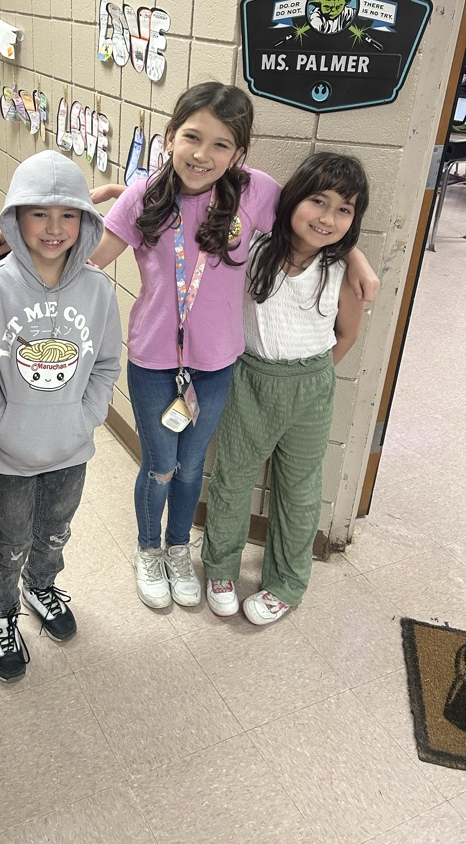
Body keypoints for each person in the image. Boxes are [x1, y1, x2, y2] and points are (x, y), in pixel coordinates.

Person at [88, 82, 379, 611]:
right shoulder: (142, 197)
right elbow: (91, 264)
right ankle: (148, 548)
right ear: (170, 136)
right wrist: (23, 233)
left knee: (194, 467)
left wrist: (354, 257)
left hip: (218, 366)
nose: (203, 155)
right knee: (159, 465)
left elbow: (310, 229)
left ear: (240, 153)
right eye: (192, 137)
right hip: (155, 362)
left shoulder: (256, 192)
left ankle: (179, 548)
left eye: (221, 145)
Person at [0, 150, 121, 682]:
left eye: (68, 214)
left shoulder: (99, 289)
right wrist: (2, 427)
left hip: (71, 447)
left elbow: (105, 364)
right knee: (10, 538)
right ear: (14, 218)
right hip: (7, 453)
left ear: (85, 220)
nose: (54, 228)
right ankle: (1, 611)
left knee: (55, 531)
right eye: (39, 213)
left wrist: (86, 418)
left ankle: (40, 587)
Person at [201, 152, 370, 624]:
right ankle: (220, 569)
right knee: (232, 478)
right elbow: (223, 187)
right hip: (249, 378)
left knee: (299, 489)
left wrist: (309, 376)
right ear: (292, 199)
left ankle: (287, 583)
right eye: (318, 201)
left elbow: (348, 335)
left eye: (344, 209)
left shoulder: (341, 270)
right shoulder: (253, 247)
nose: (328, 217)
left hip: (311, 387)